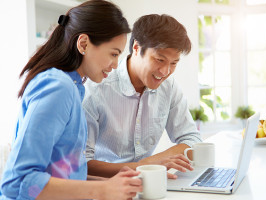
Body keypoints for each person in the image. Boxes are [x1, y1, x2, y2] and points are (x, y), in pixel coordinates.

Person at [0, 1, 142, 200]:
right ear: (83, 43)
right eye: (113, 54)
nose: (115, 65)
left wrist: (108, 185)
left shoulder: (73, 87)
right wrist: (101, 191)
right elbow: (18, 183)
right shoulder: (58, 87)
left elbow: (61, 173)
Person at [83, 14, 202, 179]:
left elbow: (192, 138)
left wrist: (152, 163)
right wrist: (144, 167)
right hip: (107, 187)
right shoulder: (95, 88)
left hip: (150, 182)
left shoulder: (169, 87)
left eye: (174, 63)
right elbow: (83, 164)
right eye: (160, 60)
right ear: (137, 48)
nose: (165, 72)